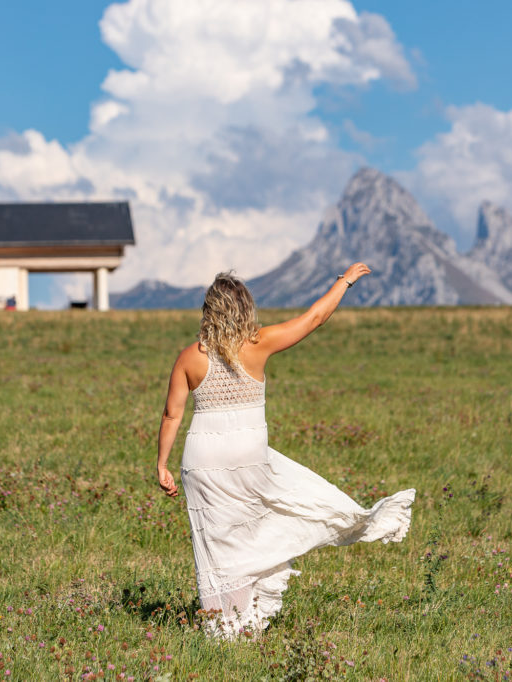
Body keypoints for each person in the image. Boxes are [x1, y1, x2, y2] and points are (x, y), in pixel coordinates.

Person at [156, 263, 416, 638]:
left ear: (209, 311)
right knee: (259, 527)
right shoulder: (258, 344)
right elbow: (314, 318)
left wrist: (162, 464)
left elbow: (171, 414)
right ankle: (243, 623)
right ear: (246, 309)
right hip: (248, 460)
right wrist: (344, 281)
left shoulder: (190, 357)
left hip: (202, 462)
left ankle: (226, 626)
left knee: (217, 542)